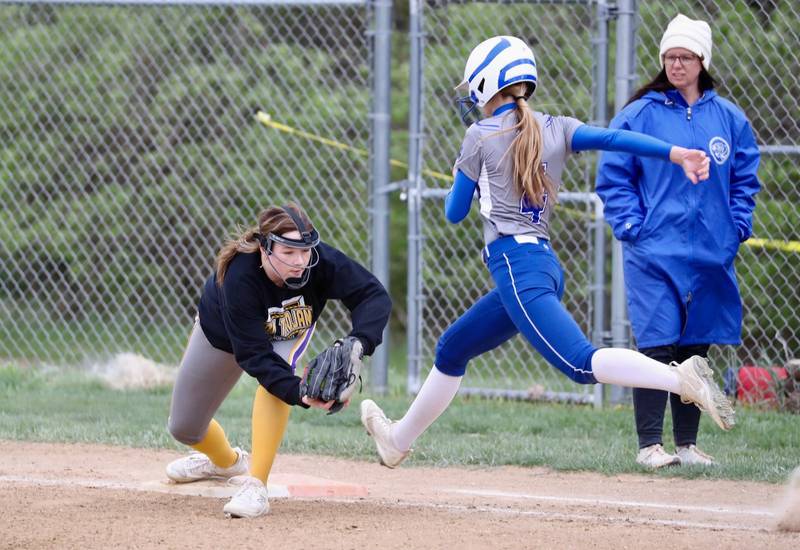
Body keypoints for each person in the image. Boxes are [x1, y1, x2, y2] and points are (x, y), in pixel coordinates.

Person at [361, 35, 734, 469]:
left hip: (517, 267)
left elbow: (453, 212)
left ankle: (678, 378)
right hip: (539, 266)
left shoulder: (479, 134)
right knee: (452, 349)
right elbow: (614, 139)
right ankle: (397, 440)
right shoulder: (555, 126)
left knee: (580, 363)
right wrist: (675, 153)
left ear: (488, 83)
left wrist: (465, 175)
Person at [596, 14, 761, 469]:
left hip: (710, 252)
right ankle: (650, 445)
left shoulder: (728, 118)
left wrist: (738, 226)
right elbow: (614, 176)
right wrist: (632, 226)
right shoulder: (640, 114)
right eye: (670, 56)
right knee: (657, 344)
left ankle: (686, 446)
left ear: (702, 60)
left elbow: (745, 180)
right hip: (653, 250)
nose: (676, 64)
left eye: (685, 56)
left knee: (694, 345)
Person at [165, 203, 391, 517]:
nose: (300, 261)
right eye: (288, 251)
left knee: (275, 383)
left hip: (285, 328)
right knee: (184, 428)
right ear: (264, 248)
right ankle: (226, 463)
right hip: (222, 333)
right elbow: (254, 356)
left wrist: (360, 341)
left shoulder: (318, 262)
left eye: (305, 250)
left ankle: (256, 485)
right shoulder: (240, 277)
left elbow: (373, 294)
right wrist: (300, 392)